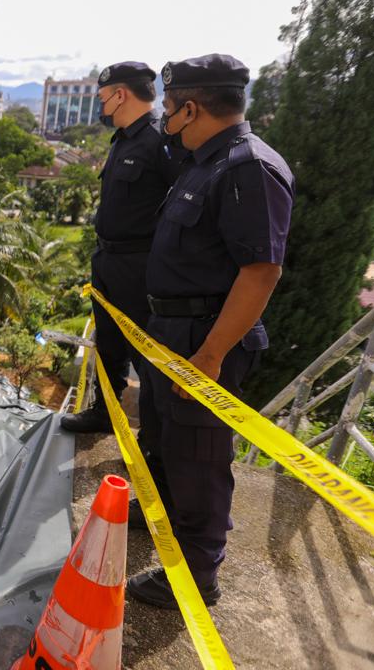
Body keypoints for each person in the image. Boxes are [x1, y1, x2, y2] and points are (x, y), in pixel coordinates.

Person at [126, 54, 294, 609]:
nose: (166, 119)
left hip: (203, 338)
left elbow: (261, 271)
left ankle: (196, 575)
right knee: (167, 439)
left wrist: (211, 354)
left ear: (190, 107)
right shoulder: (205, 161)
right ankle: (162, 519)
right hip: (170, 330)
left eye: (170, 109)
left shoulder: (248, 168)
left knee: (198, 455)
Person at [61, 61, 181, 436]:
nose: (101, 106)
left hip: (139, 266)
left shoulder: (162, 141)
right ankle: (104, 413)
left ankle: (154, 436)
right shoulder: (124, 139)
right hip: (108, 259)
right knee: (109, 343)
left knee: (143, 352)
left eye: (103, 98)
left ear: (120, 95)